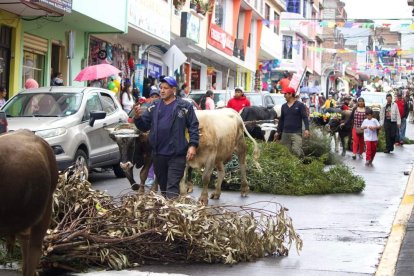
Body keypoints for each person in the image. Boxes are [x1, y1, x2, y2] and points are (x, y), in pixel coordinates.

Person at [133, 76, 199, 198]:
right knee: (164, 189)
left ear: (173, 89)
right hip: (158, 155)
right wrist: (137, 118)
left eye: (166, 88)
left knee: (172, 189)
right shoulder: (154, 106)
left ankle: (172, 213)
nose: (162, 91)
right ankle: (169, 213)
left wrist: (193, 145)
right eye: (161, 88)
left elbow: (193, 127)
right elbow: (144, 127)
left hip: (177, 155)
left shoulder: (184, 106)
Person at [274, 87, 310, 157]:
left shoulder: (300, 105)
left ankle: (301, 160)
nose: (284, 96)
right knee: (285, 152)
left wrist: (307, 129)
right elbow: (281, 120)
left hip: (296, 133)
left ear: (290, 94)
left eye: (285, 94)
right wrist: (277, 132)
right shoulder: (284, 106)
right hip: (285, 133)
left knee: (296, 150)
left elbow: (305, 118)